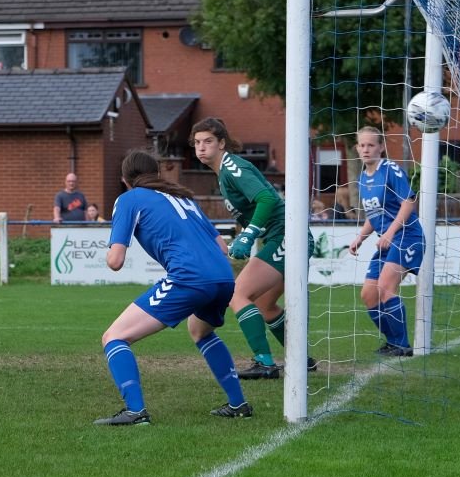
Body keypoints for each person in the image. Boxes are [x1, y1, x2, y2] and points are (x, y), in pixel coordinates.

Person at [94, 150, 251, 425]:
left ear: (125, 179)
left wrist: (107, 253)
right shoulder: (183, 198)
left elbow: (116, 260)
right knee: (199, 331)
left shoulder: (128, 199)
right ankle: (238, 404)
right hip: (224, 277)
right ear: (156, 174)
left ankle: (135, 411)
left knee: (114, 337)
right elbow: (222, 247)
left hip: (189, 277)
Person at [192, 117, 316, 380]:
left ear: (222, 143)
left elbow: (267, 198)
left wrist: (248, 236)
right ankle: (301, 359)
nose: (201, 147)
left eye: (208, 141)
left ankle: (265, 364)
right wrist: (245, 236)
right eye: (197, 143)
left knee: (237, 294)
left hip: (287, 236)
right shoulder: (224, 174)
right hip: (280, 236)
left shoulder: (232, 166)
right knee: (264, 304)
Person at [348, 126, 424, 357]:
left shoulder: (390, 169)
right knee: (368, 294)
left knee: (385, 288)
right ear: (357, 148)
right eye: (362, 145)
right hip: (388, 240)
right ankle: (392, 341)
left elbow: (409, 201)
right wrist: (359, 239)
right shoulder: (362, 178)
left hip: (407, 236)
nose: (366, 149)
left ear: (381, 147)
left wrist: (390, 232)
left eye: (371, 145)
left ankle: (402, 345)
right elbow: (374, 215)